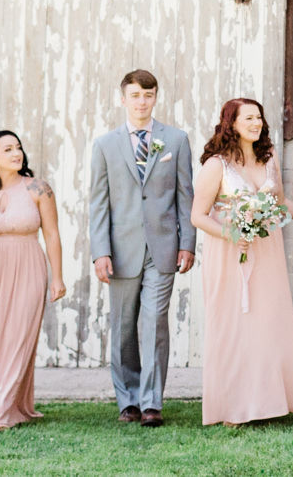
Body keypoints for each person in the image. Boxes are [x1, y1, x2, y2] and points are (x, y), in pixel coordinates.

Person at [190, 97, 293, 425]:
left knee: (268, 322)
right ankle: (232, 407)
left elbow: (281, 202)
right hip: (229, 252)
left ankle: (270, 401)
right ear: (231, 123)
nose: (256, 123)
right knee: (233, 324)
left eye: (259, 117)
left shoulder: (268, 158)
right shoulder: (216, 165)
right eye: (248, 118)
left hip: (267, 251)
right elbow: (198, 216)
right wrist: (230, 234)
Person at [87, 68, 195, 428]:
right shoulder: (105, 145)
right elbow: (98, 203)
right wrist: (100, 251)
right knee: (123, 327)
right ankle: (127, 400)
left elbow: (185, 197)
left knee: (154, 323)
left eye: (148, 95)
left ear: (155, 98)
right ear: (123, 99)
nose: (142, 102)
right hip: (120, 250)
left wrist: (188, 243)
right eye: (135, 95)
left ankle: (151, 403)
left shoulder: (176, 140)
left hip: (163, 247)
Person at [0, 130, 64, 431]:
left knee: (19, 337)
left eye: (18, 147)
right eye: (7, 149)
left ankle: (0, 410)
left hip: (29, 268)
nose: (16, 153)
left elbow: (53, 235)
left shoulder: (38, 189)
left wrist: (57, 277)